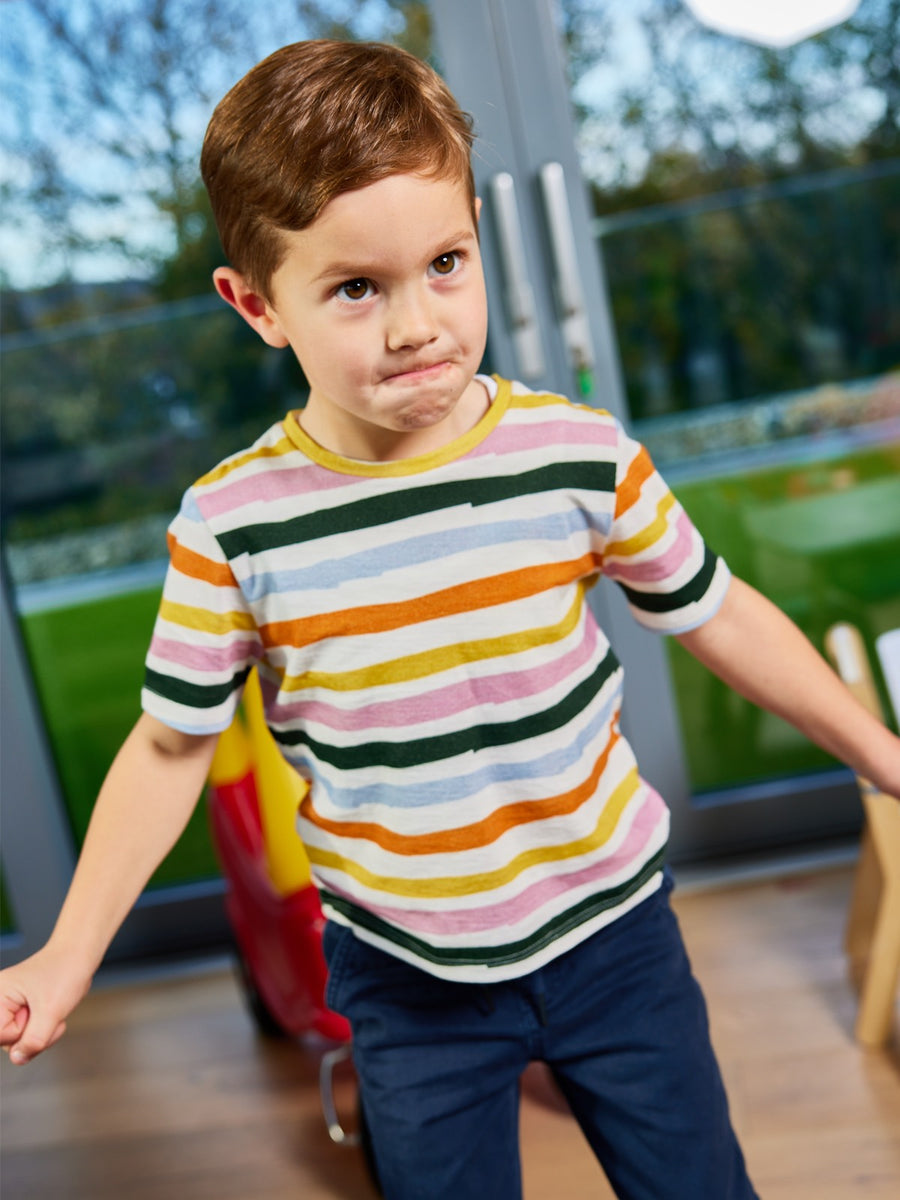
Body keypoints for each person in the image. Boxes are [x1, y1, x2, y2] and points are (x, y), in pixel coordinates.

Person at [1, 39, 898, 1200]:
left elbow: (717, 612)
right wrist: (69, 951)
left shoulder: (577, 457)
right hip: (407, 978)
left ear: (478, 233)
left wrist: (883, 757)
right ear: (257, 304)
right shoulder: (232, 527)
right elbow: (171, 747)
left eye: (446, 262)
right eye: (356, 287)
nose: (417, 324)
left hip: (614, 937)